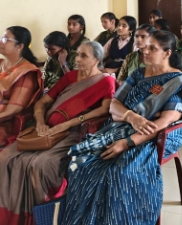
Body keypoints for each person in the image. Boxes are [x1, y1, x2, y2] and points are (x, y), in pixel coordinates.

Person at [62, 32, 182, 225]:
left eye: (152, 48)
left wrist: (126, 143)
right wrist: (131, 116)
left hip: (155, 137)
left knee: (120, 173)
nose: (145, 51)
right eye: (146, 46)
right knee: (82, 163)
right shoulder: (138, 74)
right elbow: (114, 104)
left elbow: (162, 123)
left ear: (167, 53)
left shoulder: (176, 83)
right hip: (121, 126)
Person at [0, 41, 115, 224]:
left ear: (96, 59)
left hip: (73, 133)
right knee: (5, 157)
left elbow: (104, 109)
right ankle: (11, 215)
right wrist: (40, 122)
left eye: (83, 56)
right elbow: (42, 102)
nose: (77, 59)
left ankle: (41, 217)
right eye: (77, 54)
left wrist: (68, 124)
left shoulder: (106, 81)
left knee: (41, 165)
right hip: (45, 129)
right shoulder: (70, 77)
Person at [0, 27, 43, 148]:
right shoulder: (1, 63)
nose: (1, 41)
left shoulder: (26, 72)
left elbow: (14, 109)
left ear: (19, 46)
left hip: (5, 123)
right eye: (1, 38)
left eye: (5, 39)